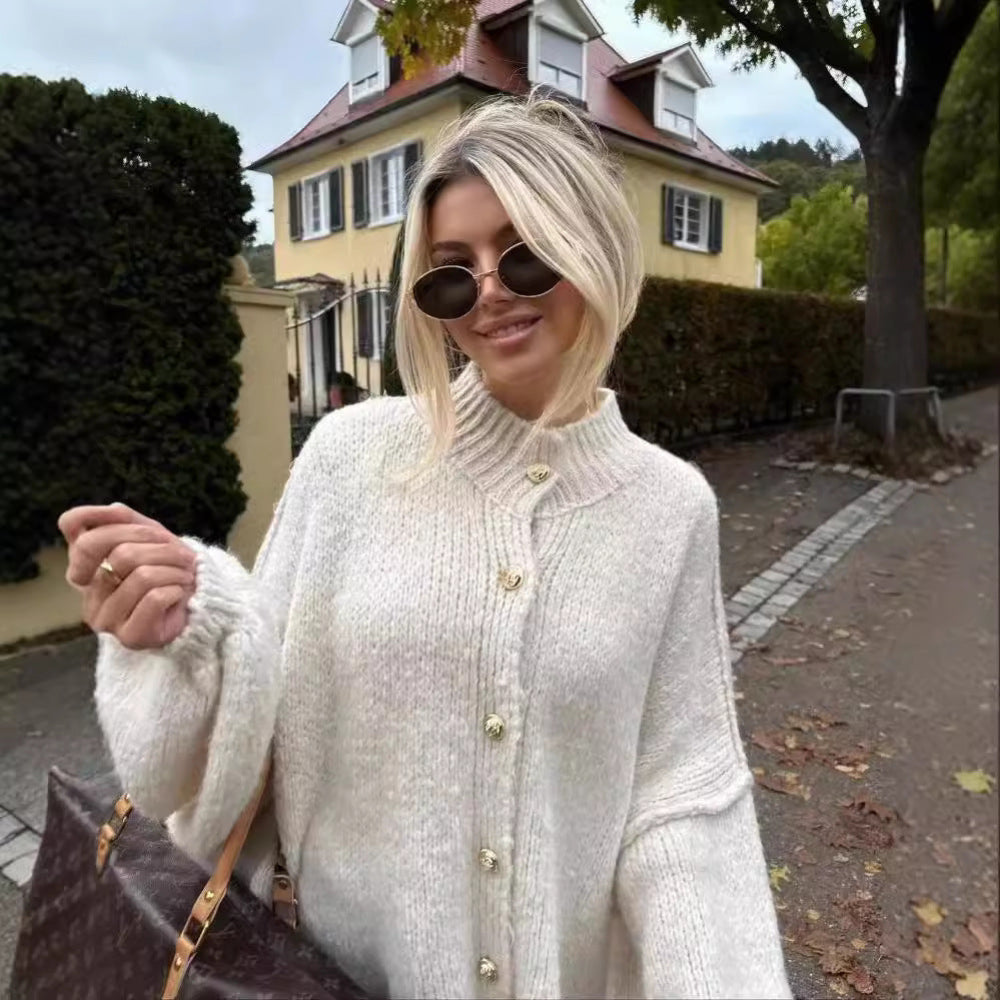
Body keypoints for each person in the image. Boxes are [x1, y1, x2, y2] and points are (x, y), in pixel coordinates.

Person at [58, 92, 792, 999]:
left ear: (593, 246)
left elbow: (681, 797)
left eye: (524, 254)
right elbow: (251, 706)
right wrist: (184, 629)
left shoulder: (672, 511)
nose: (489, 292)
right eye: (452, 273)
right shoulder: (352, 458)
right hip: (321, 976)